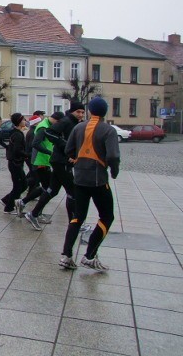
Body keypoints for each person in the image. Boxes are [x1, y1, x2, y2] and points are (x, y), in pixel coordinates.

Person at [60, 97, 120, 271]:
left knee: (77, 216)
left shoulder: (79, 127)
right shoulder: (108, 130)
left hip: (79, 178)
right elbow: (113, 156)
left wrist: (78, 159)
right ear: (105, 111)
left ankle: (66, 255)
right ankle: (90, 255)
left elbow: (68, 150)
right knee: (107, 216)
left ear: (90, 111)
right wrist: (114, 171)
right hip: (98, 180)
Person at [25, 101, 86, 230]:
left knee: (52, 190)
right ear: (72, 111)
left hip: (60, 160)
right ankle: (74, 224)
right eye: (78, 112)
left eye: (82, 112)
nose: (80, 114)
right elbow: (50, 133)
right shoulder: (66, 121)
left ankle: (33, 214)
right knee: (73, 193)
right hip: (61, 161)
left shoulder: (75, 123)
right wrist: (66, 147)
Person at [15, 111, 64, 218]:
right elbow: (35, 144)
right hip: (40, 162)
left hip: (45, 161)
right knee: (48, 189)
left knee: (46, 188)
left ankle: (23, 202)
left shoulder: (48, 125)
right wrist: (50, 153)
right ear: (56, 120)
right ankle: (34, 211)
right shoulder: (43, 127)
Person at [1, 113, 28, 214]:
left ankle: (6, 201)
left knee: (22, 184)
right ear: (19, 121)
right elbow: (17, 150)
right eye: (24, 119)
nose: (25, 121)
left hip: (16, 162)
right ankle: (8, 207)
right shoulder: (17, 134)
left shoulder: (17, 132)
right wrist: (27, 155)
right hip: (15, 163)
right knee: (20, 185)